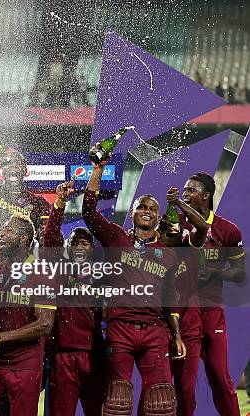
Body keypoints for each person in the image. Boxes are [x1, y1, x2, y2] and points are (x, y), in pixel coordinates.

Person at [82, 147, 185, 416]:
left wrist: (176, 336)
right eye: (141, 206)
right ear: (133, 213)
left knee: (161, 404)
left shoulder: (168, 254)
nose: (147, 211)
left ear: (159, 217)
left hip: (155, 331)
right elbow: (89, 212)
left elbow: (169, 299)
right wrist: (97, 169)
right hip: (121, 329)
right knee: (117, 401)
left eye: (153, 208)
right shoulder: (117, 238)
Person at [0, 215, 57, 416]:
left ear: (24, 239)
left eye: (8, 231)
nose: (1, 234)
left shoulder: (42, 273)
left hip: (25, 362)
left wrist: (1, 337)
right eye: (2, 230)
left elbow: (45, 324)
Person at [180, 172, 246, 416]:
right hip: (184, 311)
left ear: (206, 196)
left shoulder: (227, 230)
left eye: (191, 190)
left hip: (212, 311)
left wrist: (216, 276)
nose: (185, 194)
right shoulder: (177, 224)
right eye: (184, 190)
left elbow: (240, 274)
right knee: (185, 386)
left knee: (220, 377)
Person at [43, 179, 104, 416]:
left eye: (85, 243)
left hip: (94, 357)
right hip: (63, 355)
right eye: (75, 243)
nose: (80, 246)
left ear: (92, 249)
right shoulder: (60, 270)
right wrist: (59, 203)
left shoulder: (102, 276)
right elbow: (50, 239)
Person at [158, 186, 208, 416]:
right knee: (159, 392)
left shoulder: (189, 249)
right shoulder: (154, 254)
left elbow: (202, 226)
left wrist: (178, 203)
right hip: (160, 328)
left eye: (176, 231)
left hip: (188, 328)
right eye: (167, 231)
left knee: (186, 391)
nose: (172, 235)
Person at [0, 123, 50, 244]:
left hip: (26, 258)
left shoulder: (39, 203)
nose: (13, 166)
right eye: (9, 163)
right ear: (3, 169)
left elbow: (45, 236)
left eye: (18, 163)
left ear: (25, 171)